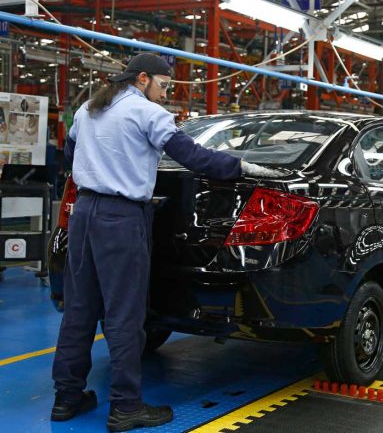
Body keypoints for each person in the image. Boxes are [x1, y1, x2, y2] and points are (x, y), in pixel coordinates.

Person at [51, 53, 254, 432]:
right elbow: (194, 157)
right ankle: (126, 406)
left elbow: (69, 154)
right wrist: (239, 167)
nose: (165, 94)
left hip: (84, 215)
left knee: (79, 310)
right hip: (121, 219)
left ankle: (66, 398)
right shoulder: (148, 114)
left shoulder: (87, 110)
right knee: (124, 314)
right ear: (142, 79)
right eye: (163, 86)